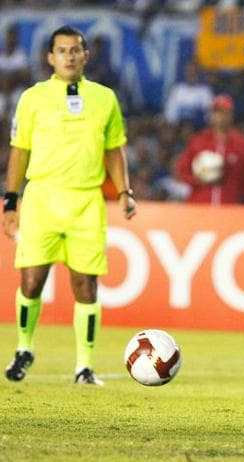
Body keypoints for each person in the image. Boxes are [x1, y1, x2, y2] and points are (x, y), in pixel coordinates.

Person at [3, 25, 136, 385]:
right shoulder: (32, 98)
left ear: (86, 55)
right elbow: (19, 151)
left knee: (86, 287)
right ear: (50, 57)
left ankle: (84, 367)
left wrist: (125, 191)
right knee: (31, 282)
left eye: (76, 50)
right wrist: (10, 202)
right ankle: (24, 348)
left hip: (86, 200)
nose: (70, 56)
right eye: (62, 50)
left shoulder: (105, 98)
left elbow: (114, 149)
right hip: (43, 196)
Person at [176, 93, 244, 205]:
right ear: (210, 115)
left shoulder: (242, 144)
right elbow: (182, 171)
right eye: (216, 112)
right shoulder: (198, 141)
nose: (220, 116)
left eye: (224, 112)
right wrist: (199, 180)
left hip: (229, 206)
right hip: (200, 205)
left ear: (231, 115)